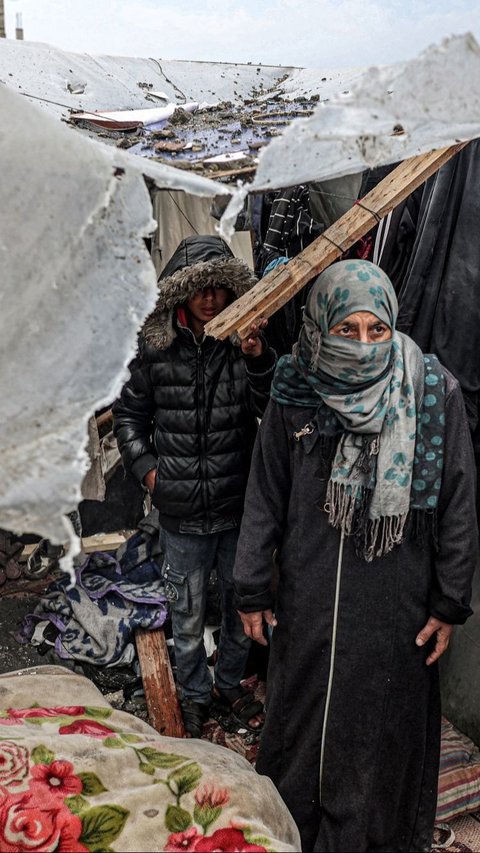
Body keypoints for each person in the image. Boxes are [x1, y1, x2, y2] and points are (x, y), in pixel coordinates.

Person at [233, 259, 477, 852]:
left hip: (396, 605)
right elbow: (265, 494)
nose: (364, 345)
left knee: (382, 730)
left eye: (377, 330)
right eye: (347, 330)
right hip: (309, 601)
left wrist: (448, 602)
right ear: (320, 328)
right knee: (303, 724)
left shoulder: (431, 392)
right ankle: (293, 833)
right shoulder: (295, 388)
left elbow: (457, 501)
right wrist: (250, 588)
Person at [113, 235, 276, 738]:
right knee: (184, 614)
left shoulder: (242, 343)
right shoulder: (155, 348)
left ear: (231, 291)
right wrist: (150, 472)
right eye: (198, 288)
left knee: (236, 606)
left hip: (236, 505)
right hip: (180, 512)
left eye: (218, 287)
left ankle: (228, 686)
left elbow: (269, 410)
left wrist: (255, 356)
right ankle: (195, 696)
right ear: (180, 294)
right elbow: (129, 416)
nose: (209, 298)